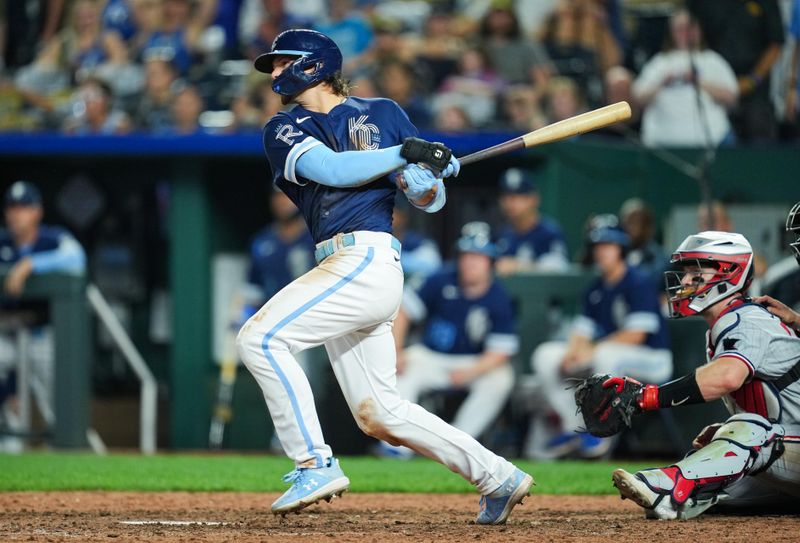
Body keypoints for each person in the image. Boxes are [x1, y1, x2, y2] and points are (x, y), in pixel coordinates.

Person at [236, 29, 533, 525]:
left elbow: (427, 198)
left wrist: (423, 183)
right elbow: (332, 169)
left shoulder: (386, 113)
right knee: (380, 412)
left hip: (366, 260)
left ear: (312, 64)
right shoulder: (282, 128)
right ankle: (497, 475)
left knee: (259, 339)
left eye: (280, 61)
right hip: (342, 265)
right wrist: (407, 156)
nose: (273, 72)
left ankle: (314, 462)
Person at [608, 231, 800, 519]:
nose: (685, 281)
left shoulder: (748, 319)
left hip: (784, 444)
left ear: (729, 273)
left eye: (696, 272)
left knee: (751, 429)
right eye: (685, 272)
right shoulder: (727, 323)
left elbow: (726, 377)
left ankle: (670, 481)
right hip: (790, 446)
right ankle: (672, 497)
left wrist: (645, 397)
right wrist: (727, 437)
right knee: (709, 492)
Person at [531, 223, 672, 458]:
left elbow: (636, 335)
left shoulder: (638, 281)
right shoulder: (595, 288)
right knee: (546, 356)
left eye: (608, 245)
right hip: (610, 356)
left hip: (653, 359)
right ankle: (574, 428)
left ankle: (601, 436)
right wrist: (571, 353)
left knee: (607, 356)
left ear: (621, 249)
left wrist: (592, 350)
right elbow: (581, 332)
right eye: (597, 246)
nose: (601, 251)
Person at [385, 222, 517, 455]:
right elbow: (404, 311)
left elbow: (500, 352)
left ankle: (457, 445)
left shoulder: (498, 296)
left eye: (478, 256)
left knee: (501, 378)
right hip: (432, 357)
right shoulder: (441, 278)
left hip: (474, 363)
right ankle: (397, 447)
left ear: (491, 261)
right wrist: (396, 350)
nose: (471, 262)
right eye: (466, 255)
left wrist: (471, 372)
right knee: (402, 367)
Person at [0, 180, 86, 449]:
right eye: (12, 207)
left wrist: (30, 264)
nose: (16, 213)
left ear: (37, 211)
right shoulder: (2, 241)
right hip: (6, 334)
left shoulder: (53, 238)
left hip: (42, 334)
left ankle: (58, 449)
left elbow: (77, 257)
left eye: (23, 207)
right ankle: (9, 446)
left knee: (55, 400)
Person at [632, 9, 738, 148]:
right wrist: (662, 83)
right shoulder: (660, 62)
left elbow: (732, 98)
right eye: (680, 29)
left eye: (690, 28)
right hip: (662, 144)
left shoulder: (713, 60)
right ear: (672, 33)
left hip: (713, 140)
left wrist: (698, 81)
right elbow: (637, 99)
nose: (686, 33)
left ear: (699, 30)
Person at [688, 0, 785, 142]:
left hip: (753, 85)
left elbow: (776, 43)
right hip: (713, 84)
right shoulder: (703, 4)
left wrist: (753, 80)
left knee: (759, 125)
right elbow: (690, 32)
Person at [495, 168, 568, 276]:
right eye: (505, 197)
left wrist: (519, 266)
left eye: (517, 197)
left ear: (534, 199)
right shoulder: (503, 234)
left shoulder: (549, 233)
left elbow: (560, 267)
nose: (509, 202)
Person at [391, 194, 441, 289]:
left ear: (403, 216)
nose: (388, 216)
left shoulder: (417, 242)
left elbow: (433, 266)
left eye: (393, 212)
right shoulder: (372, 240)